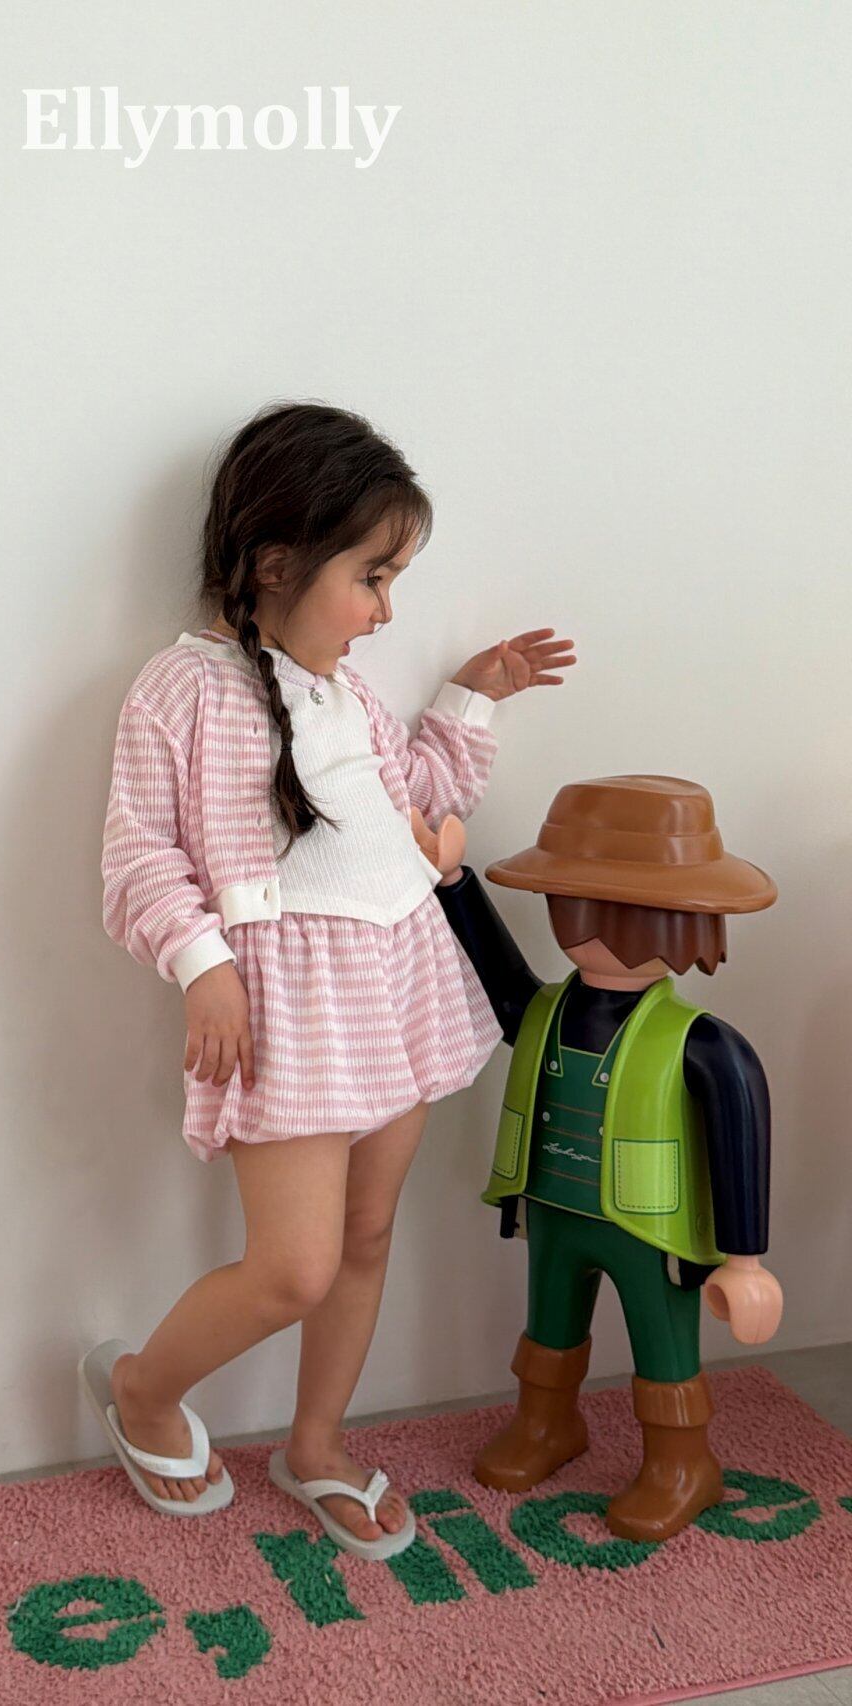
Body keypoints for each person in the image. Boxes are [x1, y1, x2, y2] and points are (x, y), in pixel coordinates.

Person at [82, 400, 576, 1558]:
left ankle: (315, 1443)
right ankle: (144, 1387)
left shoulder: (343, 694)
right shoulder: (182, 688)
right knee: (292, 1266)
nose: (383, 609)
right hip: (291, 1010)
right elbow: (137, 855)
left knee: (363, 1235)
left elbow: (410, 799)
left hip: (396, 981)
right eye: (370, 577)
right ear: (274, 562)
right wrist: (202, 963)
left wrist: (472, 693)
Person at [432, 774, 783, 1541]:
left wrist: (746, 1260)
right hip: (555, 1209)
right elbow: (502, 984)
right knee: (548, 1330)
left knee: (664, 1349)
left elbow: (741, 1128)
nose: (588, 928)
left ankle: (682, 1463)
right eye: (574, 903)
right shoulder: (547, 1011)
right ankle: (546, 1424)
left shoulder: (700, 1041)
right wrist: (454, 885)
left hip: (650, 1231)